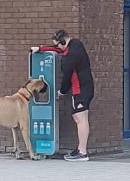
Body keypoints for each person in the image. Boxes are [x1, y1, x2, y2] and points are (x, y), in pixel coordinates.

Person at [31, 29, 94, 162]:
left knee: (80, 118)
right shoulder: (76, 44)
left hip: (80, 90)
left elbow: (66, 77)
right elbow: (58, 49)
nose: (57, 47)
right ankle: (80, 148)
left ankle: (83, 152)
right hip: (85, 87)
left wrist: (62, 91)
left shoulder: (70, 56)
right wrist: (40, 48)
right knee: (81, 117)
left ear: (63, 41)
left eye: (58, 44)